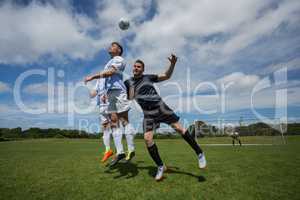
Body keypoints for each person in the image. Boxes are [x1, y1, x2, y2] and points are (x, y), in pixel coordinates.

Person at [124, 54, 207, 181]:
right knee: (147, 139)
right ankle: (160, 166)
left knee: (179, 129)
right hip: (148, 113)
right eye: (134, 66)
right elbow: (130, 98)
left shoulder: (148, 77)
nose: (136, 68)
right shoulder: (128, 82)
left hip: (160, 108)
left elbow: (166, 76)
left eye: (139, 67)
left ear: (143, 69)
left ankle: (199, 153)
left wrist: (172, 64)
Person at [85, 42, 136, 166]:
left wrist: (92, 77)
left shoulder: (119, 59)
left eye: (113, 45)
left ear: (118, 50)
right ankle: (120, 152)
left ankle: (131, 148)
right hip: (110, 94)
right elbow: (105, 78)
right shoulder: (108, 63)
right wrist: (98, 92)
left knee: (124, 120)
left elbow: (111, 72)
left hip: (118, 92)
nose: (110, 47)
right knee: (113, 123)